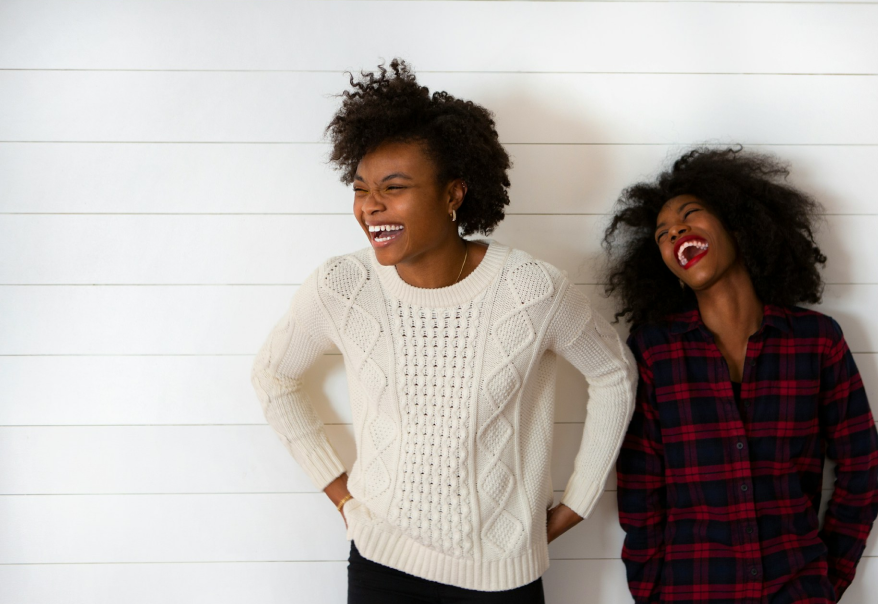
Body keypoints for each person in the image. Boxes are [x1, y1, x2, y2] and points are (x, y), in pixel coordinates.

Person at [251, 59, 636, 603]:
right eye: (361, 188)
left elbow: (614, 373)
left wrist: (578, 501)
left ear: (454, 195)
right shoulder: (343, 285)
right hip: (381, 564)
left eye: (394, 186)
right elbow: (272, 376)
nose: (370, 206)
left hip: (502, 577)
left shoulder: (530, 289)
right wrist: (341, 494)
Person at [604, 148, 878, 603]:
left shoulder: (816, 341)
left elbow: (860, 468)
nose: (675, 229)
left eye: (691, 214)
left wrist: (824, 583)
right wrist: (651, 592)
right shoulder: (654, 352)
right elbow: (641, 491)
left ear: (738, 224)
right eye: (662, 233)